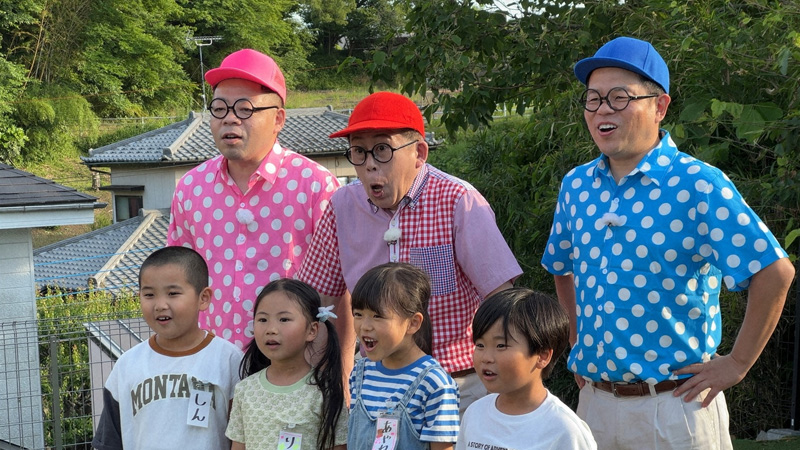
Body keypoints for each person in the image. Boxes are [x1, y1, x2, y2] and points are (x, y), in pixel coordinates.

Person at [541, 36, 795, 449]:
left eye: (619, 97)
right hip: (594, 407)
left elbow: (774, 271)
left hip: (677, 409)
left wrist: (737, 363)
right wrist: (575, 340)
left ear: (659, 106)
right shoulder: (577, 185)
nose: (602, 109)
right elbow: (562, 267)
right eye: (593, 99)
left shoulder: (698, 184)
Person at [296, 91, 522, 411]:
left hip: (457, 383)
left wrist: (509, 387)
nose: (370, 164)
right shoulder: (342, 206)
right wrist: (326, 380)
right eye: (358, 151)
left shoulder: (458, 200)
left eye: (382, 149)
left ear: (419, 153)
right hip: (376, 382)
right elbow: (321, 302)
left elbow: (502, 298)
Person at [168, 48, 340, 349]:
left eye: (244, 109)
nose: (229, 119)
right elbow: (179, 279)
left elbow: (338, 291)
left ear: (278, 119)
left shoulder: (315, 185)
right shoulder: (191, 188)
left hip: (295, 363)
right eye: (219, 108)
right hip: (211, 358)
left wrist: (337, 370)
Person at [92, 246, 242, 450]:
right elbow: (109, 442)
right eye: (149, 295)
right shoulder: (127, 365)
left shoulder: (229, 360)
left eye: (172, 293)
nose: (160, 305)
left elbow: (244, 437)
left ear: (203, 298)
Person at [456, 288, 597, 450]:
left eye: (501, 345)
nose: (486, 357)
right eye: (480, 345)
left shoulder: (564, 430)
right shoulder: (475, 413)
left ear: (542, 356)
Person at [225, 278, 347, 450]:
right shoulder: (245, 389)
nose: (271, 329)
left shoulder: (324, 391)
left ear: (312, 330)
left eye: (284, 319)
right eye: (263, 320)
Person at [349, 263, 460, 450]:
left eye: (377, 316)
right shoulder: (360, 372)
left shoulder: (434, 383)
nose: (365, 326)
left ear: (413, 323)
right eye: (358, 314)